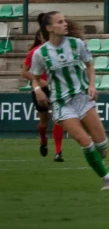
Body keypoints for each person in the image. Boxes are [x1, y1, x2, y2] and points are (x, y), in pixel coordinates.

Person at [26, 11, 109, 190]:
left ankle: (100, 158)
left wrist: (92, 85)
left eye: (65, 21)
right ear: (49, 28)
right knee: (85, 142)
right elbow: (33, 77)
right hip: (61, 103)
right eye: (60, 22)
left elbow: (89, 65)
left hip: (82, 98)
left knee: (102, 146)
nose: (65, 24)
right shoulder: (40, 53)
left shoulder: (77, 44)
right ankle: (107, 179)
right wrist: (37, 89)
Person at [22, 29, 63, 162]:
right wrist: (40, 81)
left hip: (56, 88)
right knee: (44, 123)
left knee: (58, 119)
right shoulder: (35, 52)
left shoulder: (59, 50)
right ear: (40, 37)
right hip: (40, 89)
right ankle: (43, 139)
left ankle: (58, 152)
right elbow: (24, 72)